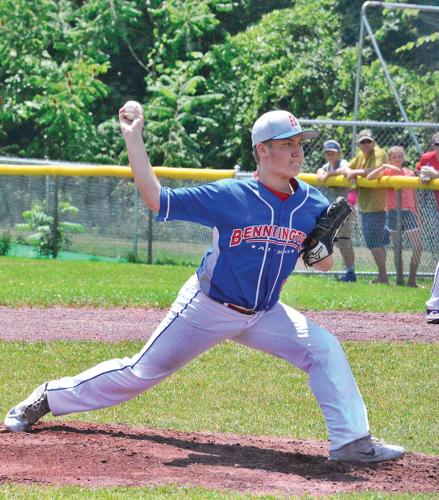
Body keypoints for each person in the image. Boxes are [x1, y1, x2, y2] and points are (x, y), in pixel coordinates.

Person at [3, 107, 405, 463]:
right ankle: (49, 397)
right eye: (288, 143)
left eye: (301, 143)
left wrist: (319, 253)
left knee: (324, 349)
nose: (299, 151)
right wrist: (134, 137)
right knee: (140, 372)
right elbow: (157, 199)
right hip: (207, 307)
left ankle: (352, 441)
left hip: (264, 313)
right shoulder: (230, 195)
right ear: (262, 151)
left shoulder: (313, 203)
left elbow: (323, 263)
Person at [367, 146, 423, 287]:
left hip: (409, 212)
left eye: (400, 156)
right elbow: (370, 177)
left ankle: (412, 280)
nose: (397, 159)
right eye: (394, 157)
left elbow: (414, 194)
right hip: (394, 212)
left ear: (403, 158)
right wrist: (383, 166)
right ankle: (399, 279)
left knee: (418, 245)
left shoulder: (409, 172)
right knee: (397, 248)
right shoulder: (388, 171)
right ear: (390, 159)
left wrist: (418, 213)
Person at [341, 129, 390, 284]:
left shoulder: (379, 152)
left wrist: (354, 171)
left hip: (378, 206)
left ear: (373, 142)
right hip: (366, 205)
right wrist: (352, 171)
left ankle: (383, 277)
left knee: (374, 244)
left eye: (368, 141)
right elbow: (345, 169)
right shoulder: (361, 155)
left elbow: (374, 170)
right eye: (362, 142)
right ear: (359, 144)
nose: (365, 144)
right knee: (376, 244)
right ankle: (382, 276)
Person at [317, 140, 356, 282]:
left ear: (338, 153)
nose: (330, 155)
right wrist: (322, 172)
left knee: (344, 241)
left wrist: (328, 174)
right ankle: (347, 271)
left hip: (346, 209)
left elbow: (344, 170)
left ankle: (351, 272)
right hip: (334, 210)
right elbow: (320, 171)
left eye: (333, 153)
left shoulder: (342, 162)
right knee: (336, 241)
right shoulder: (327, 166)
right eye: (327, 153)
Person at [416, 132, 439, 322]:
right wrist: (423, 175)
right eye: (437, 144)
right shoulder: (428, 158)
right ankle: (435, 306)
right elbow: (419, 170)